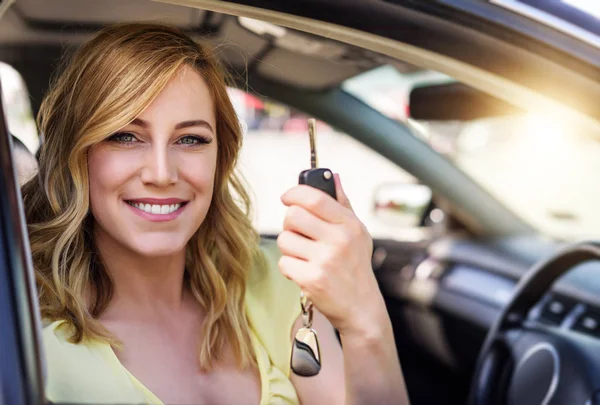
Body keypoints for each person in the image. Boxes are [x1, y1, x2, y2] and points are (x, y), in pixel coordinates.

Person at [21, 22, 410, 405]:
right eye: (124, 136)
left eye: (190, 139)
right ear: (78, 154)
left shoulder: (274, 281)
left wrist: (364, 319)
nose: (161, 174)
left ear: (219, 158)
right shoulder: (26, 337)